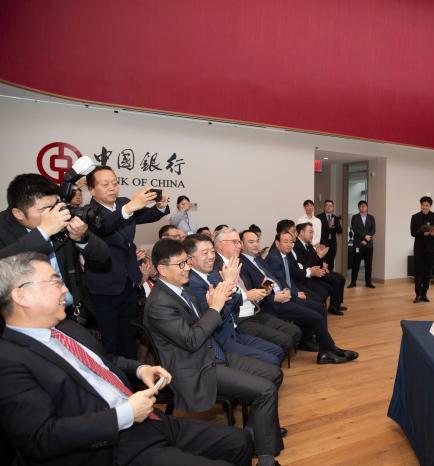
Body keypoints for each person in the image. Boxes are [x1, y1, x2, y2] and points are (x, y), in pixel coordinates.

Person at [0, 252, 253, 466]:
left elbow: (104, 359)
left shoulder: (67, 328)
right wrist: (124, 414)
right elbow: (40, 438)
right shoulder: (9, 360)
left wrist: (141, 368)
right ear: (22, 296)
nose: (65, 289)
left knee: (240, 441)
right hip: (112, 447)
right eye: (55, 282)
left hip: (149, 420)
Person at [143, 239, 284, 465]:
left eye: (187, 262)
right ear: (162, 269)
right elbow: (191, 340)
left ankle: (257, 432)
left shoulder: (181, 289)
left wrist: (215, 305)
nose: (187, 267)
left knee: (274, 373)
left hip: (212, 353)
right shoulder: (159, 303)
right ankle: (266, 457)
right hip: (196, 367)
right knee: (266, 390)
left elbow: (204, 325)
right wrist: (214, 307)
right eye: (181, 264)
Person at [0, 173, 110, 330]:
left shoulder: (62, 216)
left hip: (70, 313)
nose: (54, 213)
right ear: (18, 213)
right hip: (27, 321)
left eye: (56, 204)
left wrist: (81, 237)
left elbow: (103, 255)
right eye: (45, 209)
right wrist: (43, 232)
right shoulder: (3, 228)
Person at [84, 166, 170, 358]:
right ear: (91, 189)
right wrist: (129, 208)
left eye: (115, 183)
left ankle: (132, 373)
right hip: (104, 286)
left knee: (129, 336)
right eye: (105, 184)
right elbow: (104, 226)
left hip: (129, 281)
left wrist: (160, 206)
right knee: (109, 340)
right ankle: (110, 374)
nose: (112, 188)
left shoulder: (123, 203)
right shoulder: (88, 212)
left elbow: (146, 216)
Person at [238, 230, 357, 365]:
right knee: (316, 317)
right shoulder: (242, 264)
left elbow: (272, 279)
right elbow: (252, 292)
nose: (256, 244)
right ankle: (329, 350)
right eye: (251, 242)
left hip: (282, 296)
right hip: (271, 304)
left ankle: (326, 350)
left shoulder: (258, 259)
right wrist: (275, 297)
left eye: (257, 241)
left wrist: (285, 289)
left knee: (320, 308)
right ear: (242, 244)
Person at [185, 234, 285, 366]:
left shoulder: (213, 274)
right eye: (205, 253)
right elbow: (216, 317)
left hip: (235, 329)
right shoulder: (192, 283)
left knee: (277, 351)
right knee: (272, 360)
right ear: (189, 259)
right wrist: (229, 283)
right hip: (221, 339)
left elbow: (236, 299)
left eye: (212, 251)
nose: (211, 256)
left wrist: (232, 285)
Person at [213, 228, 301, 356]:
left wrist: (265, 289)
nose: (239, 246)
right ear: (221, 245)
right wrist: (249, 295)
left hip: (255, 309)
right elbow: (226, 297)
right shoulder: (216, 267)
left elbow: (255, 287)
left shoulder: (242, 260)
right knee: (285, 341)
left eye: (239, 242)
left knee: (295, 331)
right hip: (240, 318)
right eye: (235, 242)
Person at [294, 223, 347, 314]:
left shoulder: (308, 244)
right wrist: (319, 255)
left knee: (341, 278)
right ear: (302, 232)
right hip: (309, 274)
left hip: (316, 270)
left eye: (313, 232)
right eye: (310, 232)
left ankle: (336, 304)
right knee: (336, 280)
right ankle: (334, 307)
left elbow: (315, 259)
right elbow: (305, 265)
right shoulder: (296, 246)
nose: (312, 235)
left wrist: (323, 265)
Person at [410, 196, 434, 303]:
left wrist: (433, 233)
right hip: (419, 248)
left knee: (427, 272)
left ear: (430, 206)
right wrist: (424, 233)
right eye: (423, 205)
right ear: (420, 205)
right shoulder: (415, 217)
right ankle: (418, 295)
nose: (424, 207)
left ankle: (424, 294)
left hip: (431, 248)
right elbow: (413, 232)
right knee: (419, 271)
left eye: (427, 205)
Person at [348, 200, 376, 288]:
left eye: (364, 206)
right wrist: (364, 237)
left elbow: (373, 230)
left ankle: (368, 282)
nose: (362, 207)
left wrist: (366, 240)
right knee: (355, 264)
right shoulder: (354, 217)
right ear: (358, 208)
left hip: (369, 245)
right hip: (358, 244)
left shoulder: (371, 217)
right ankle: (353, 282)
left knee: (368, 264)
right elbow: (355, 229)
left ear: (367, 207)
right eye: (361, 206)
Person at [316, 200, 342, 271]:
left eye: (330, 206)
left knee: (331, 262)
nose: (328, 207)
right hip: (322, 243)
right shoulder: (319, 217)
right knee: (321, 262)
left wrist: (334, 226)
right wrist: (328, 226)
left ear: (333, 208)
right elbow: (318, 230)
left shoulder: (335, 218)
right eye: (327, 205)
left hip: (332, 243)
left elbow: (340, 231)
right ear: (324, 207)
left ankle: (330, 276)